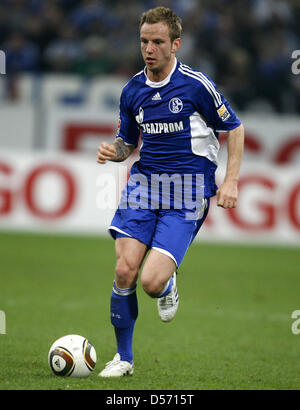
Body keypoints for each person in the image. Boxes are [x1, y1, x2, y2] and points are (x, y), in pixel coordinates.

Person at [96, 6, 244, 377]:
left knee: (150, 282)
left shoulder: (195, 85)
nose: (149, 48)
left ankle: (166, 283)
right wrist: (112, 153)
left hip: (188, 193)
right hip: (144, 186)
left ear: (175, 44)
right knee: (125, 270)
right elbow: (127, 143)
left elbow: (235, 128)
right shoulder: (132, 91)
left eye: (158, 42)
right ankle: (124, 359)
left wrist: (230, 181)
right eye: (144, 41)